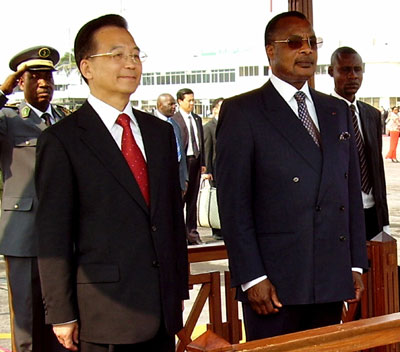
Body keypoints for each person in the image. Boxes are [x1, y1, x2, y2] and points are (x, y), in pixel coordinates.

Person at [34, 14, 188, 352]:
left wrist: (177, 291)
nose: (130, 63)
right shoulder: (63, 140)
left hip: (161, 312)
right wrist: (61, 313)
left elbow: (171, 220)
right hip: (103, 315)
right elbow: (52, 234)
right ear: (87, 68)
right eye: (117, 55)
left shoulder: (159, 133)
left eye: (135, 55)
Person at [216, 11, 368, 341]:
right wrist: (252, 277)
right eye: (295, 43)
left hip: (330, 277)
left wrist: (355, 264)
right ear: (271, 51)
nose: (307, 50)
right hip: (275, 286)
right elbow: (234, 206)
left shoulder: (336, 110)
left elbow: (349, 193)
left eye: (312, 43)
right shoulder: (243, 112)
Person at [0, 46, 67, 352]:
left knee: (59, 315)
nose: (44, 84)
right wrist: (2, 90)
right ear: (21, 82)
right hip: (22, 233)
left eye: (48, 78)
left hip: (61, 234)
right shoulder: (9, 119)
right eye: (36, 78)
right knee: (25, 318)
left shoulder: (64, 119)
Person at [328, 46, 390, 241]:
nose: (352, 76)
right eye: (345, 70)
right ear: (332, 72)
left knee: (375, 270)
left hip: (372, 213)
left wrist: (384, 219)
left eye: (357, 69)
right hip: (339, 216)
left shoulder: (372, 115)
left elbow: (377, 169)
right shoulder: (321, 114)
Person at [172, 88, 205, 245]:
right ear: (180, 101)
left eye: (193, 100)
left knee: (193, 200)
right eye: (189, 101)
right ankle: (178, 234)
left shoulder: (197, 119)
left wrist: (203, 163)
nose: (192, 103)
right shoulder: (174, 120)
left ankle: (192, 233)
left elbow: (202, 142)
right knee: (180, 199)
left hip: (196, 162)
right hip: (182, 164)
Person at [154, 93, 188, 194]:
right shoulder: (150, 124)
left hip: (177, 178)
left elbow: (181, 152)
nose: (174, 107)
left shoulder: (175, 124)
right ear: (160, 105)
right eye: (170, 104)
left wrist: (184, 178)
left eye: (175, 104)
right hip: (159, 180)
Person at [203, 98, 223, 240]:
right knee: (216, 198)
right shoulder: (209, 127)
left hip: (228, 169)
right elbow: (208, 149)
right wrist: (208, 171)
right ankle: (216, 229)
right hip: (215, 169)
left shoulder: (231, 124)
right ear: (214, 109)